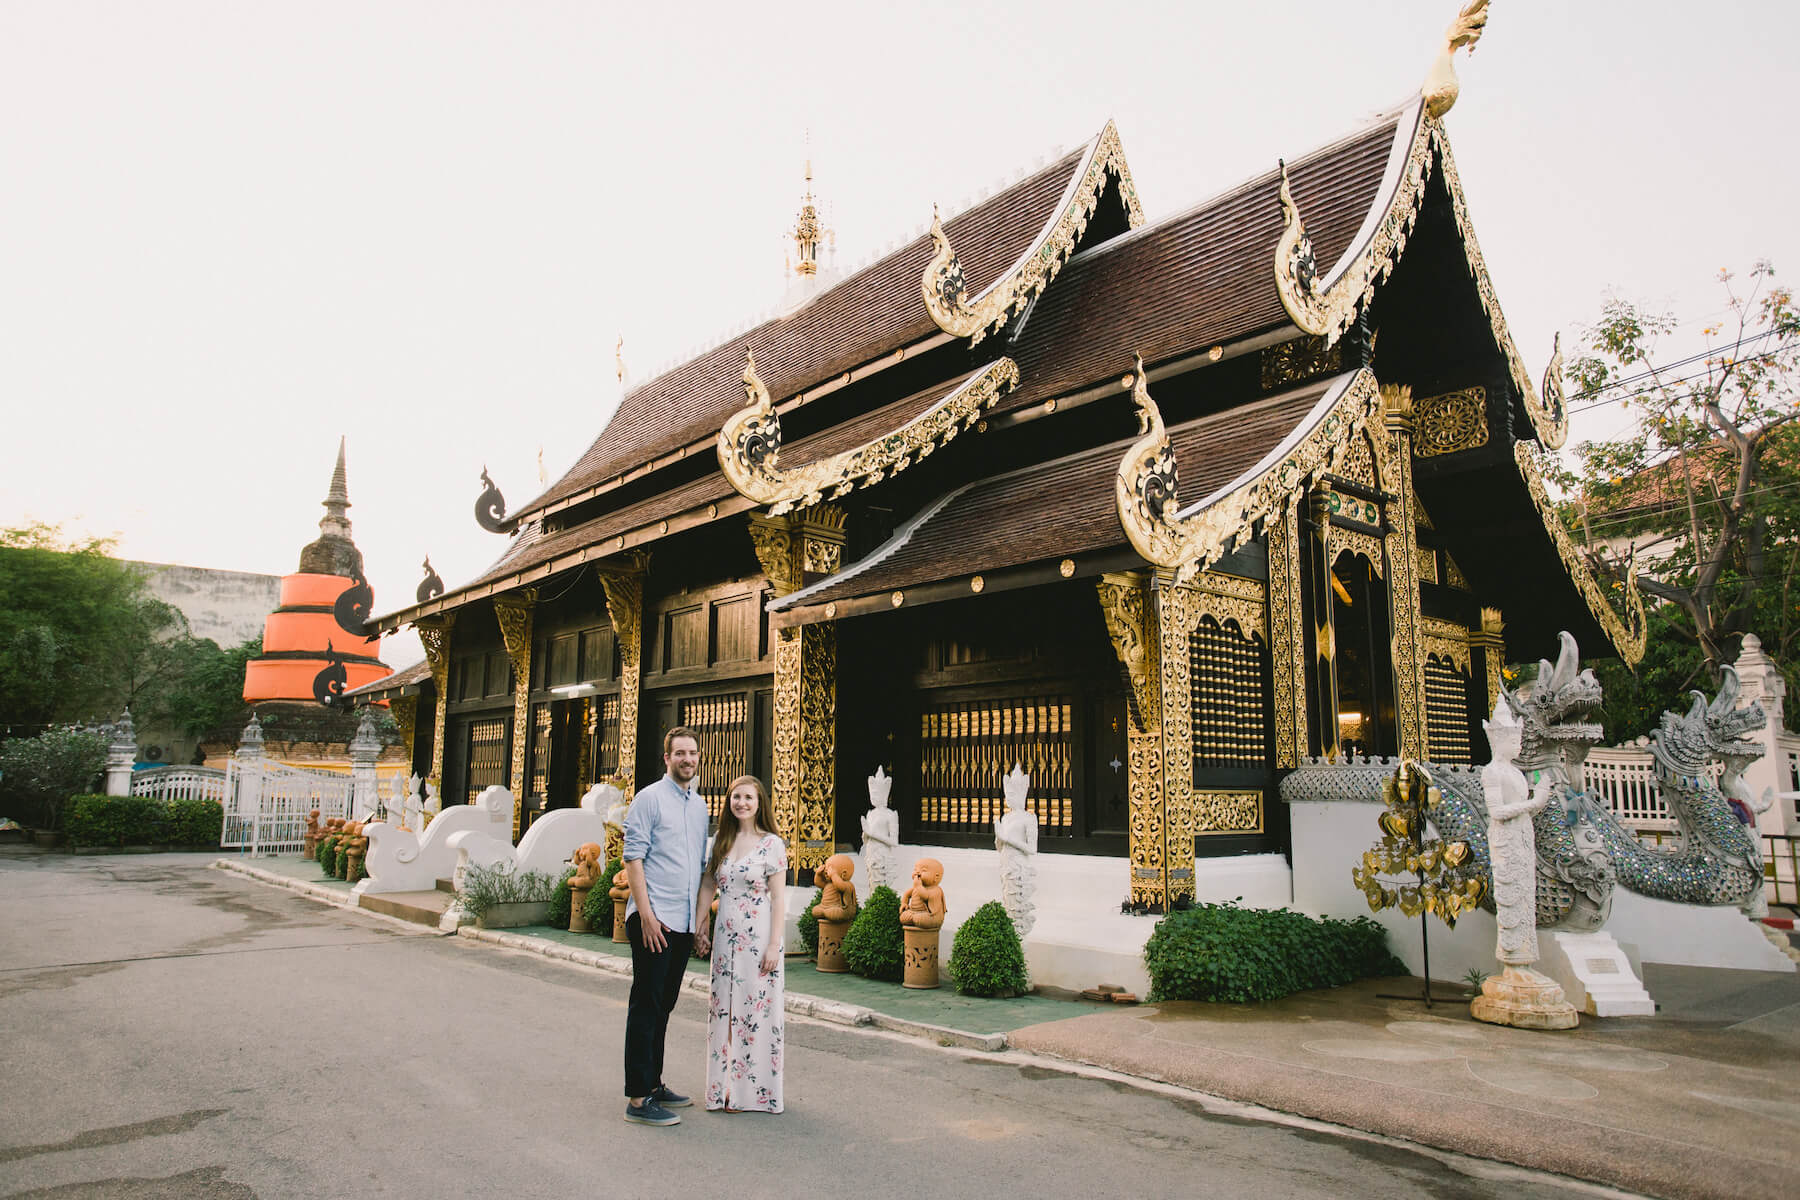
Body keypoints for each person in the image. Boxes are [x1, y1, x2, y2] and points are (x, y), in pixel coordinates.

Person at [621, 727, 710, 1127]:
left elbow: (700, 867)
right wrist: (646, 916)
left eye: (692, 753)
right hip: (654, 920)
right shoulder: (649, 799)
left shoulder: (700, 806)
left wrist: (700, 922)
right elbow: (633, 858)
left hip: (683, 921)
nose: (687, 759)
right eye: (680, 753)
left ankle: (654, 1083)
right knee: (646, 1005)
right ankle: (638, 1099)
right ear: (667, 758)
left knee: (664, 1006)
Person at [694, 775, 786, 1114]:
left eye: (748, 797)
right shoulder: (721, 840)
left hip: (758, 938)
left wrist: (774, 945)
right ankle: (723, 1086)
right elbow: (708, 884)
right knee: (725, 1009)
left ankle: (749, 1092)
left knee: (753, 1011)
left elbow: (779, 898)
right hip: (725, 936)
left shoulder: (772, 844)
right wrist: (700, 924)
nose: (742, 803)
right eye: (736, 797)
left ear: (759, 803)